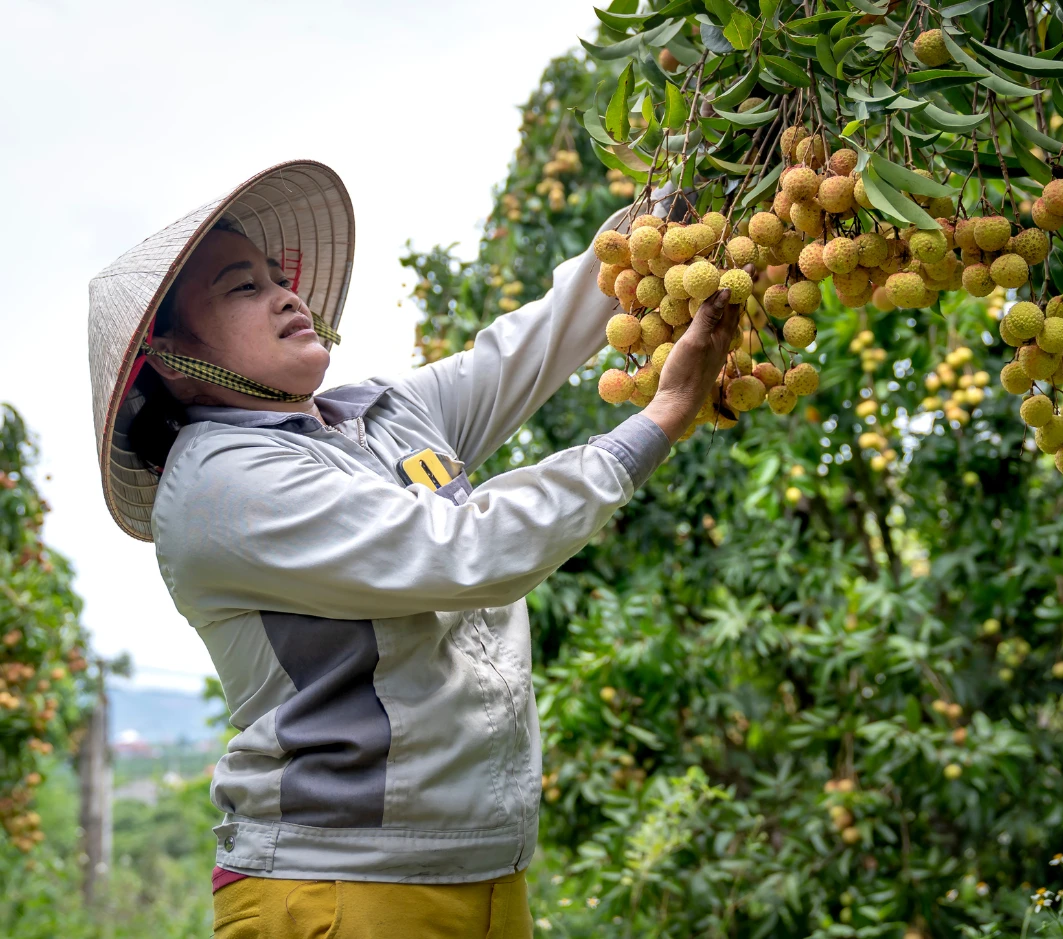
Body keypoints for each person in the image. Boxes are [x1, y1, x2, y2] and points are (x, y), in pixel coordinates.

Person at [87, 160, 743, 938]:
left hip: (482, 870)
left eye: (275, 275)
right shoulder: (222, 485)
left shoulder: (380, 419)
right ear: (169, 358)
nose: (285, 294)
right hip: (337, 886)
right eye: (243, 287)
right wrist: (659, 417)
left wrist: (694, 185)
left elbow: (534, 341)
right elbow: (467, 552)